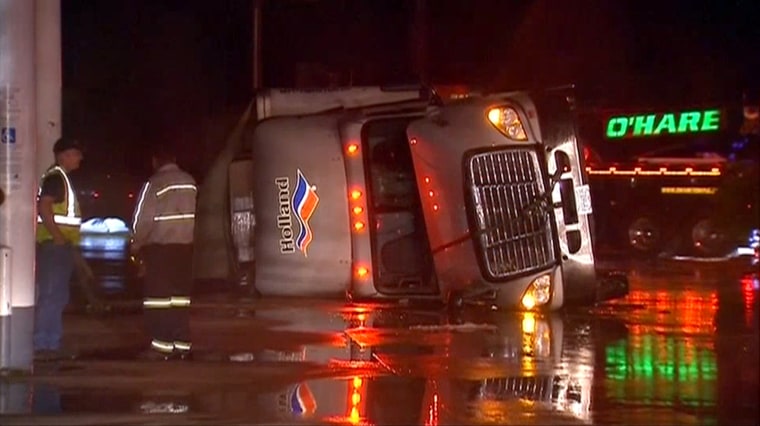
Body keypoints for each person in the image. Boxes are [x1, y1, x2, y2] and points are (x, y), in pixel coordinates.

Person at [131, 144, 197, 360]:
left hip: (159, 250)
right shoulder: (190, 182)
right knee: (180, 299)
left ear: (155, 161)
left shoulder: (155, 184)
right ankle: (182, 343)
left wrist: (136, 244)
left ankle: (161, 347)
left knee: (157, 300)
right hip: (184, 249)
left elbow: (143, 219)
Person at [34, 137, 84, 361]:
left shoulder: (59, 177)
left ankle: (50, 344)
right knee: (52, 296)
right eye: (76, 153)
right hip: (55, 246)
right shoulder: (56, 177)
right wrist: (58, 237)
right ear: (63, 155)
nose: (80, 158)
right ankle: (45, 345)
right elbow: (44, 206)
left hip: (58, 246)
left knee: (56, 296)